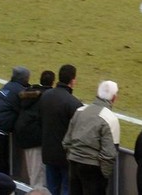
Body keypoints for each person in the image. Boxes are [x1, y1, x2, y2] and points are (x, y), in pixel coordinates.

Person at [62, 80, 120, 195]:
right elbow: (110, 153)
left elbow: (66, 142)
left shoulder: (80, 111)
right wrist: (103, 174)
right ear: (113, 98)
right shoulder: (110, 118)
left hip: (74, 163)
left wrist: (73, 157)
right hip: (94, 169)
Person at [39, 64, 83, 195]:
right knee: (66, 189)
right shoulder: (74, 103)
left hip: (48, 152)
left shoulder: (45, 96)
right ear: (73, 80)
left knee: (51, 189)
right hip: (65, 156)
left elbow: (40, 120)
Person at [15, 70, 55, 188]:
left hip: (25, 135)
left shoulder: (31, 94)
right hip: (34, 137)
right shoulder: (47, 97)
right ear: (53, 82)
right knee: (38, 175)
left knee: (34, 172)